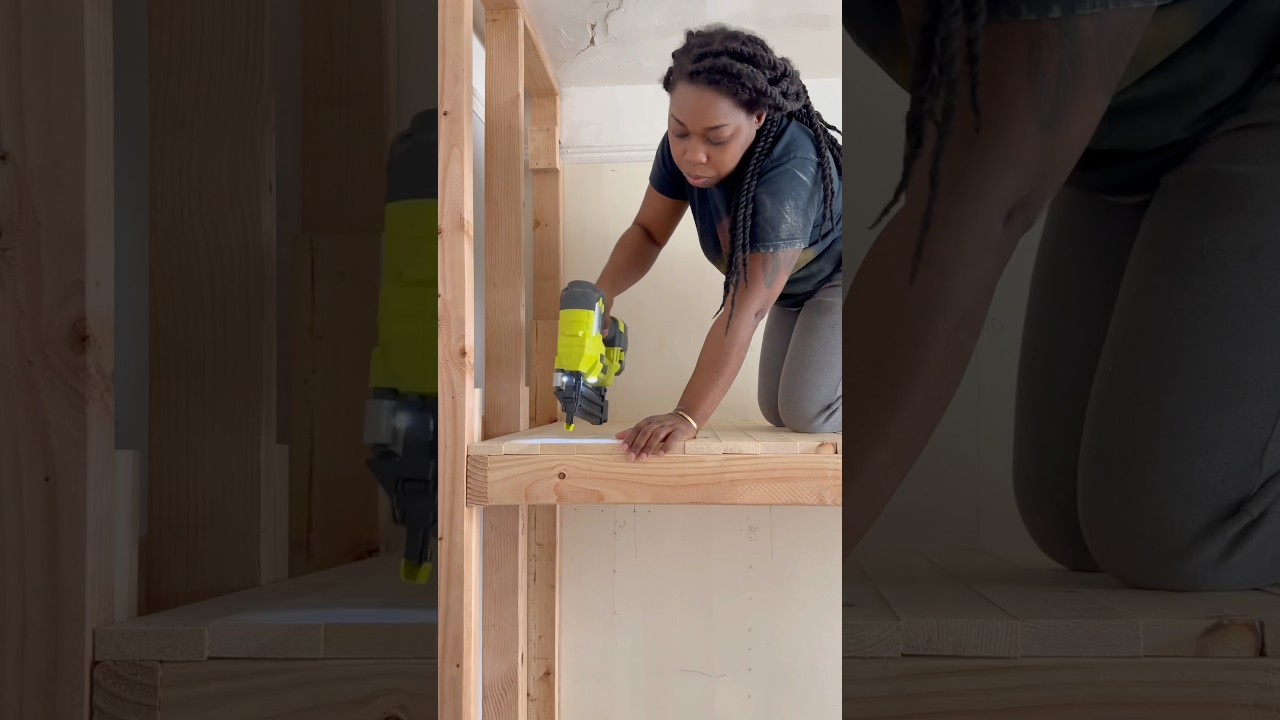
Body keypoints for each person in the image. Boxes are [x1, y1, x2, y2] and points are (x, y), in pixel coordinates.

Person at [844, 0, 1280, 592]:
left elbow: (970, 216)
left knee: (1167, 537)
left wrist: (802, 558)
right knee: (1066, 523)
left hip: (1261, 81)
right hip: (1130, 134)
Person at [594, 25, 845, 462]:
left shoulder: (791, 170)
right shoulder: (685, 149)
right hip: (796, 290)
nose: (693, 153)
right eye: (679, 130)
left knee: (808, 411)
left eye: (716, 137)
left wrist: (687, 416)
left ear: (758, 117)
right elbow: (648, 232)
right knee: (777, 410)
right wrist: (600, 296)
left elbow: (745, 308)